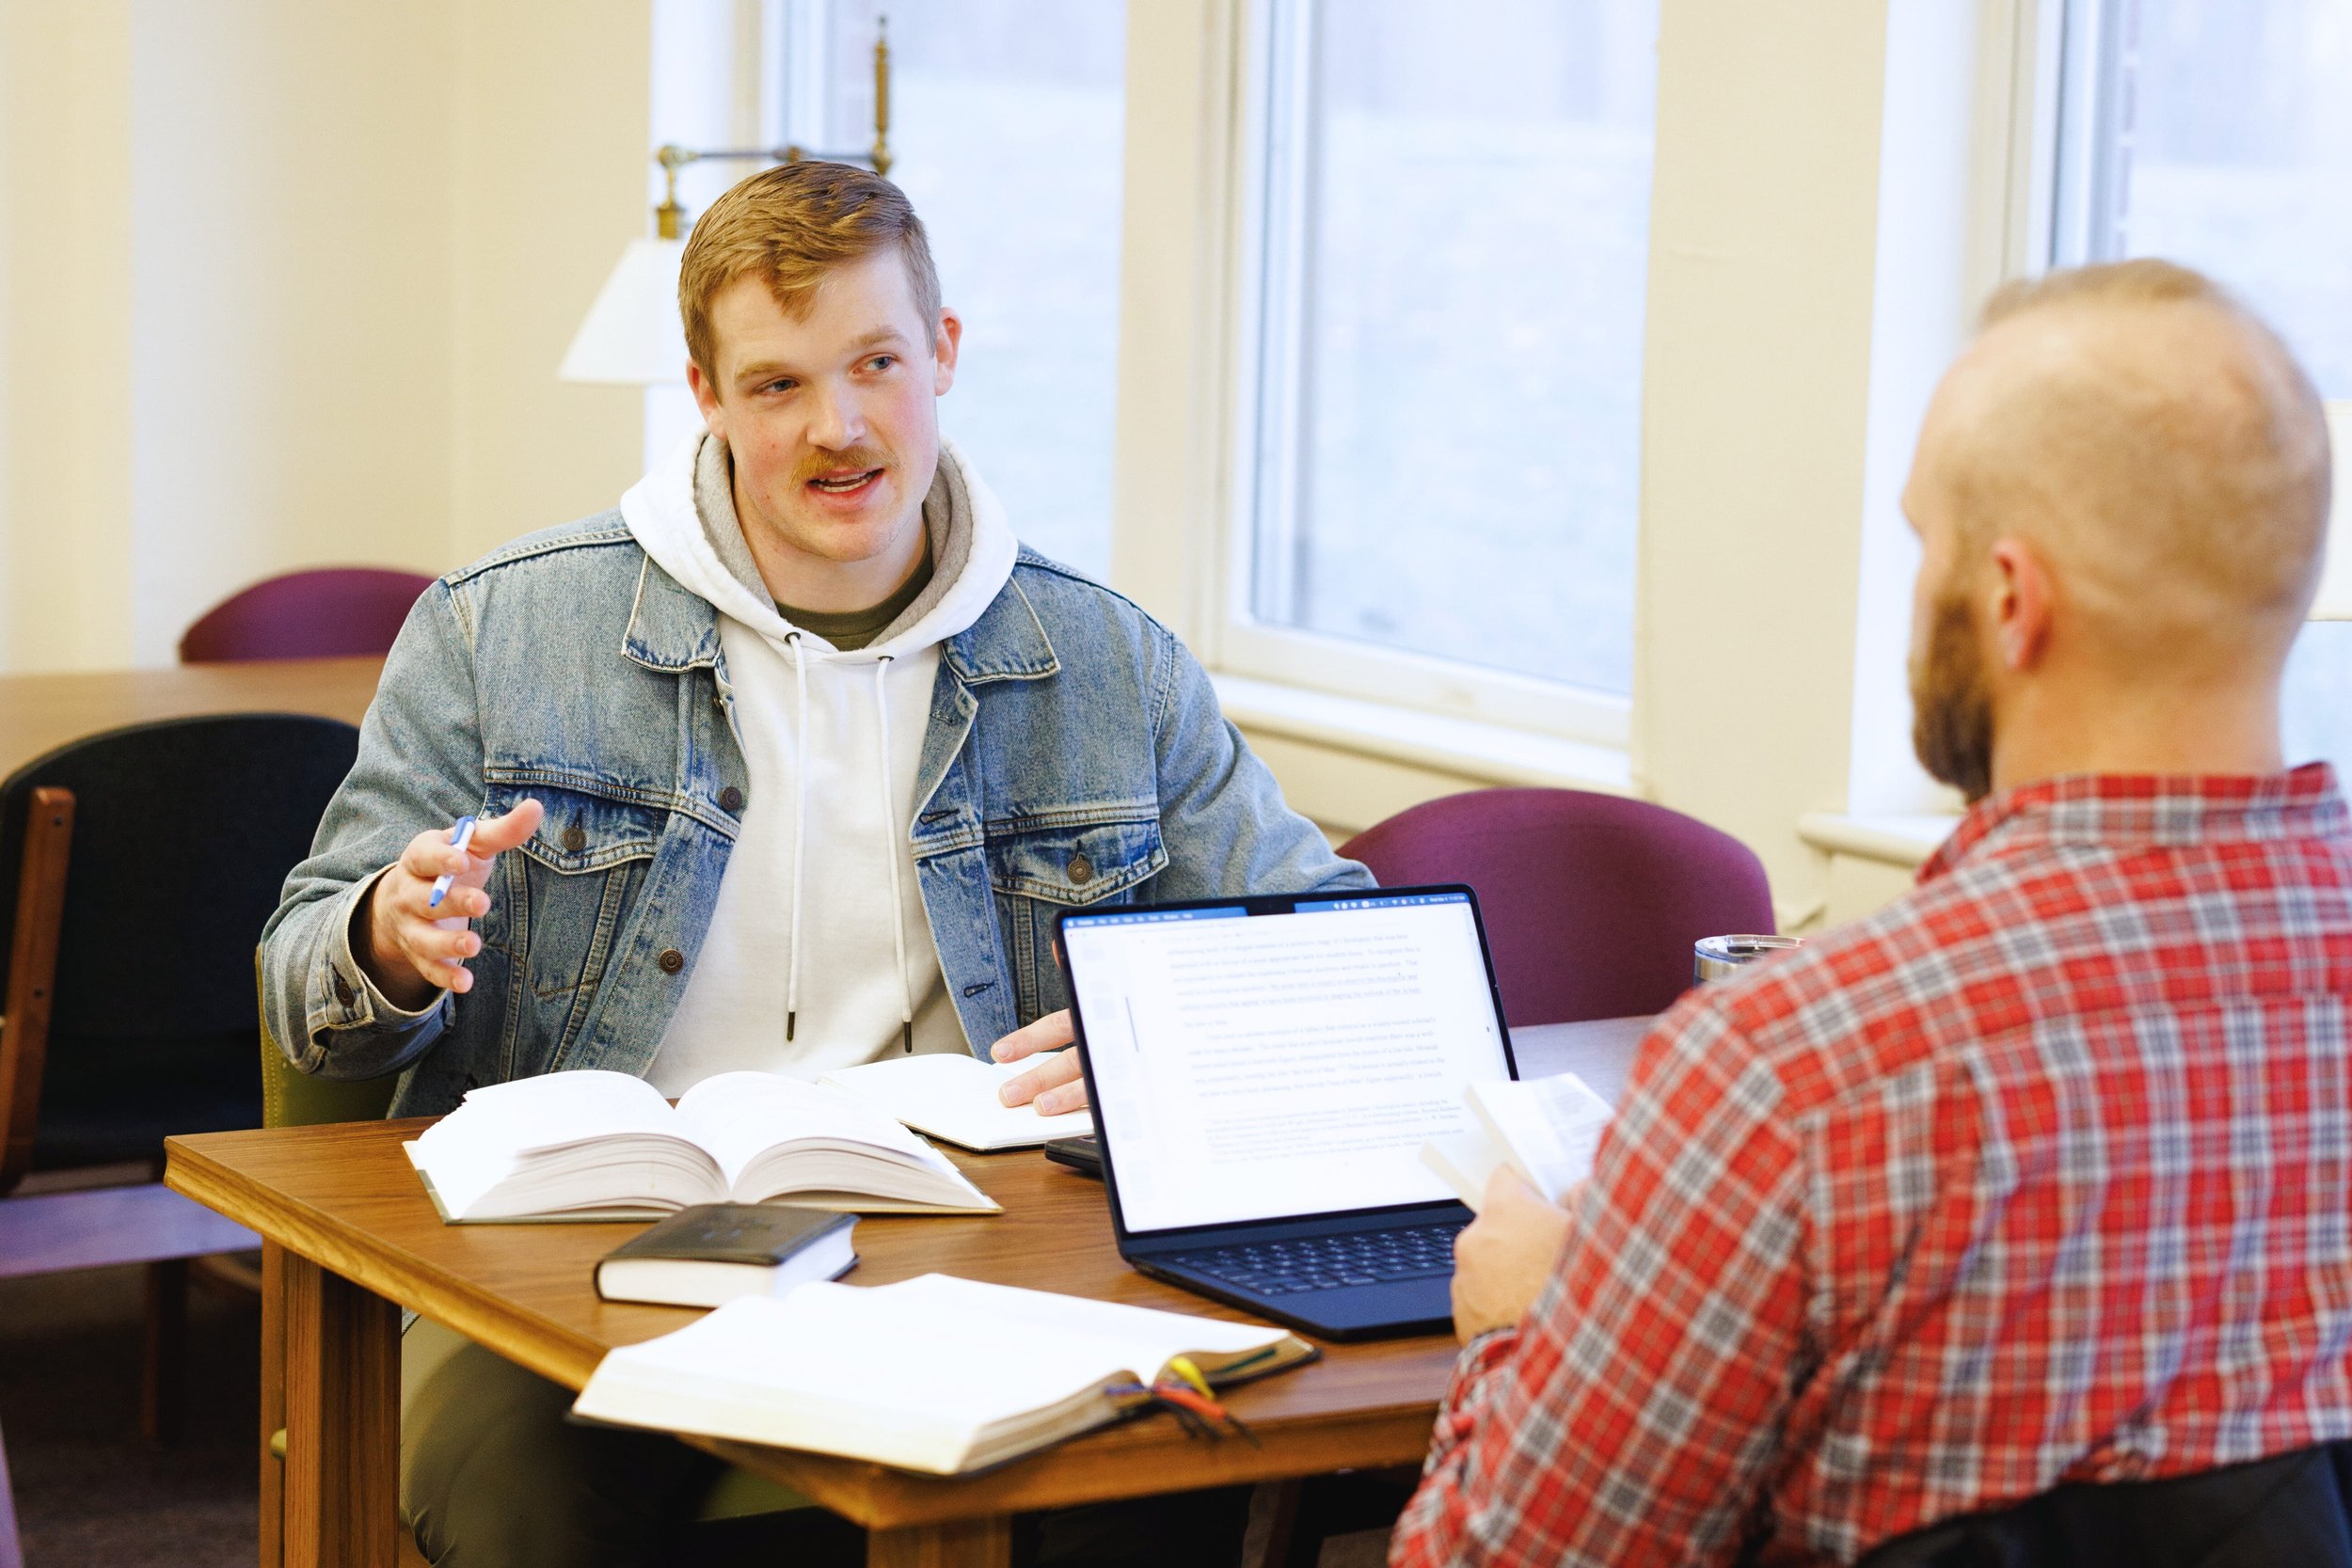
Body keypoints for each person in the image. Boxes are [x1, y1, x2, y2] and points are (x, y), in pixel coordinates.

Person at [261, 160, 1367, 1567]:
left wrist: (1164, 1039)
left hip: (991, 1243)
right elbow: (302, 971)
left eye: (878, 364)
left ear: (945, 355)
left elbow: (1326, 944)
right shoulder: (501, 629)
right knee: (519, 1502)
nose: (839, 429)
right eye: (777, 385)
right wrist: (383, 938)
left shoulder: (1105, 658)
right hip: (585, 1246)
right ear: (705, 396)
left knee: (1167, 1475)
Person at [1391, 260, 2352, 1566]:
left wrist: (1519, 1325)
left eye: (1925, 547)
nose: (1915, 602)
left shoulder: (1799, 1071)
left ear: (2012, 601)